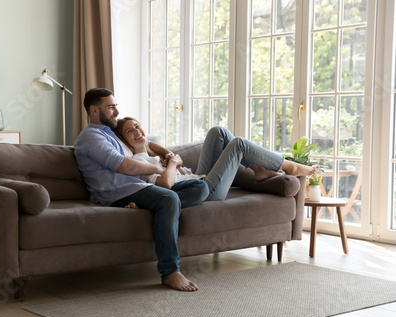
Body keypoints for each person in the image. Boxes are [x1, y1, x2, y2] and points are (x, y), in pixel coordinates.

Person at [74, 88, 204, 292]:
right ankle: (170, 271)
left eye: (116, 106)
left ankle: (156, 211)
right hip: (117, 194)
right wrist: (159, 168)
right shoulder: (90, 137)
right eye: (110, 107)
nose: (116, 111)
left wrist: (167, 154)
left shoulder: (110, 133)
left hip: (137, 188)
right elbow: (123, 165)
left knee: (199, 187)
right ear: (94, 110)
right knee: (169, 199)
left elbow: (146, 141)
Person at [116, 118, 319, 202]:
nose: (136, 131)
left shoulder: (151, 153)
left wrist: (167, 156)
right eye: (129, 131)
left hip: (198, 177)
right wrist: (171, 163)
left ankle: (259, 168)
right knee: (239, 144)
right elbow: (165, 185)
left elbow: (160, 152)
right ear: (124, 140)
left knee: (218, 132)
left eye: (137, 126)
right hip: (205, 191)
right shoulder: (138, 161)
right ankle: (289, 166)